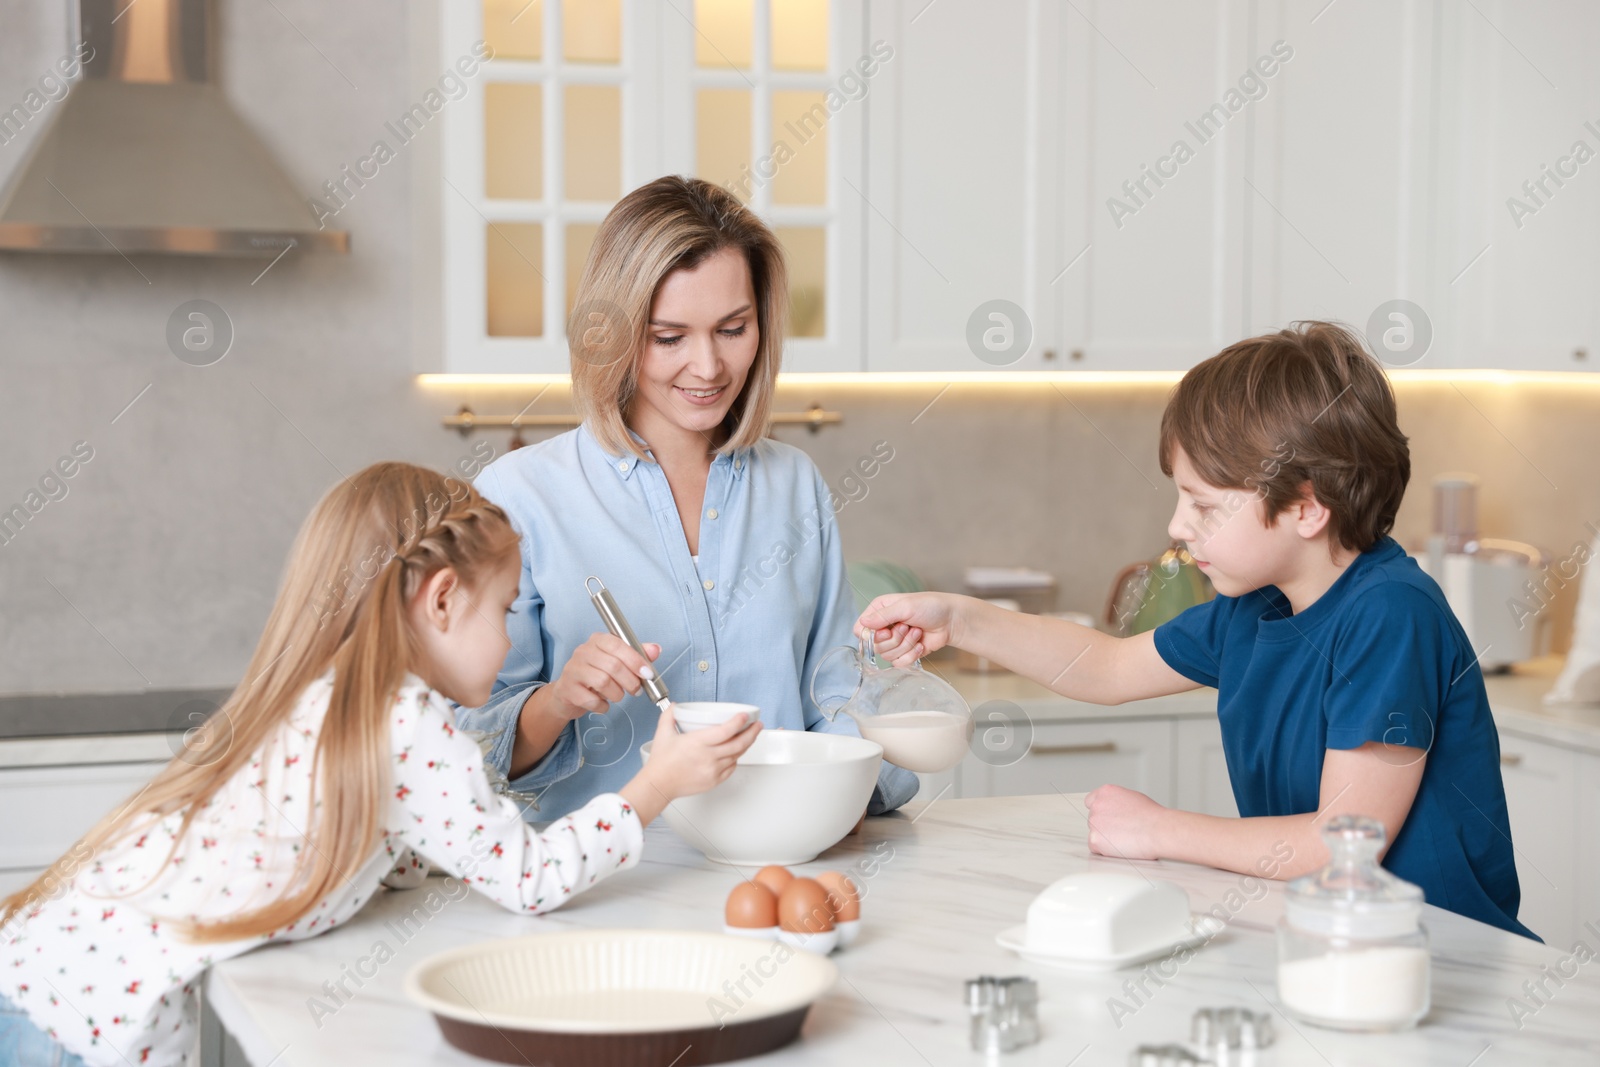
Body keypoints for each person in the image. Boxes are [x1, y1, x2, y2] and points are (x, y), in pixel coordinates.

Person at [0, 463, 760, 1067]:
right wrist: (659, 781)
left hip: (53, 981)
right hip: (72, 1012)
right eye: (502, 608)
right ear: (439, 600)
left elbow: (382, 835)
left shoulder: (341, 698)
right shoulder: (403, 718)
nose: (507, 637)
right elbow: (531, 878)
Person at [858, 322, 1537, 940]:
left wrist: (1159, 829)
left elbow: (1337, 843)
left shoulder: (1390, 614)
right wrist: (960, 618)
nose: (1179, 526)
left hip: (1441, 950)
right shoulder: (1259, 604)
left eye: (1203, 504)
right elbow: (1110, 667)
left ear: (1306, 508)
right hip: (1331, 935)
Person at [459, 176, 918, 820]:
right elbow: (469, 749)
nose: (708, 368)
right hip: (601, 886)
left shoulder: (794, 484)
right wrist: (559, 700)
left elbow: (833, 698)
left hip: (778, 863)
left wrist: (864, 778)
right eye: (669, 337)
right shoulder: (519, 495)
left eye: (733, 328)